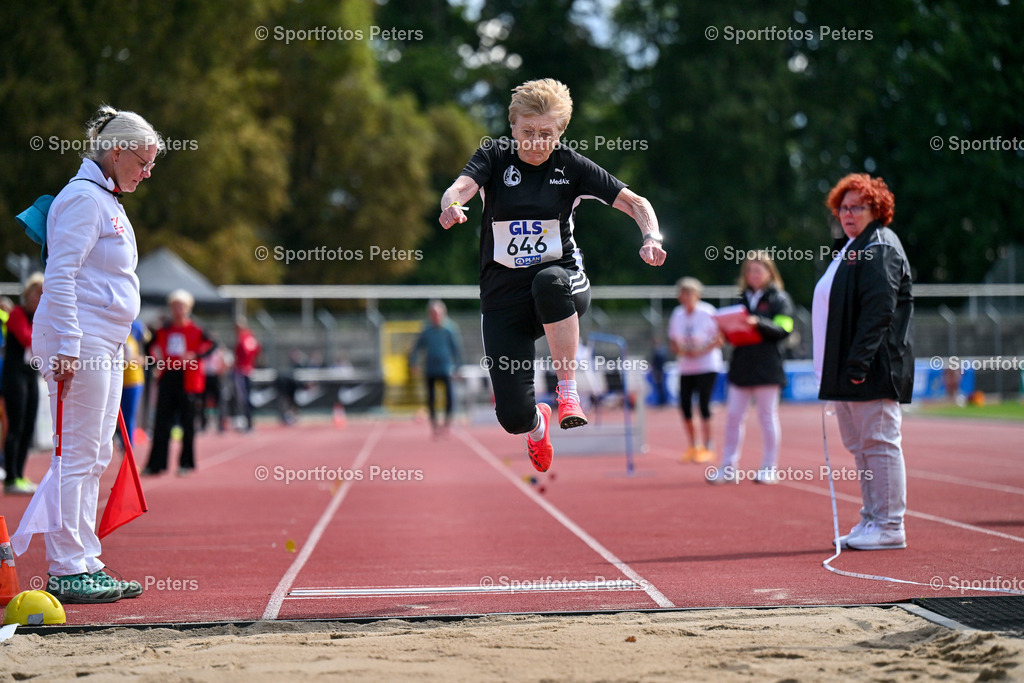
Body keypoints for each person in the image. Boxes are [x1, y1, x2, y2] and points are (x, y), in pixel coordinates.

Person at [439, 78, 666, 472]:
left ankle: (568, 391)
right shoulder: (494, 156)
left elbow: (637, 202)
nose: (536, 142)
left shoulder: (571, 166)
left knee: (549, 280)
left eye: (547, 134)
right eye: (527, 132)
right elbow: (459, 187)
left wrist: (650, 237)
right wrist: (452, 206)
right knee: (512, 417)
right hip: (503, 296)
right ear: (512, 126)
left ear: (561, 132)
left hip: (563, 284)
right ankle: (537, 423)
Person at [30, 105, 162, 603]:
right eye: (143, 162)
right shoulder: (84, 199)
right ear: (116, 151)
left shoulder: (106, 199)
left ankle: (84, 558)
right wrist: (67, 345)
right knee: (76, 454)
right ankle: (67, 567)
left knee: (95, 452)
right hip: (79, 342)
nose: (147, 172)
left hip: (102, 341)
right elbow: (60, 276)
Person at [814, 173, 913, 550]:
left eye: (858, 206)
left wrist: (857, 364)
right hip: (845, 369)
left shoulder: (881, 246)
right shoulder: (850, 247)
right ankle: (872, 518)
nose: (848, 213)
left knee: (880, 443)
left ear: (877, 209)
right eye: (843, 207)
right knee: (861, 447)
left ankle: (890, 525)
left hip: (872, 367)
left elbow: (879, 310)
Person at [707, 252, 794, 485]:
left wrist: (759, 322)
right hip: (742, 365)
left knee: (767, 417)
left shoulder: (780, 299)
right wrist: (724, 333)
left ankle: (769, 468)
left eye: (758, 270)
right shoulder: (740, 299)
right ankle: (728, 467)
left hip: (768, 366)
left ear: (769, 272)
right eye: (749, 270)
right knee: (733, 417)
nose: (753, 275)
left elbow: (784, 329)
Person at [143, 290, 216, 476]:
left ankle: (186, 463)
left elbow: (212, 345)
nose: (178, 310)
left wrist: (196, 355)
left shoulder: (197, 330)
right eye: (175, 306)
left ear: (188, 308)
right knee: (161, 423)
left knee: (188, 423)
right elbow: (149, 346)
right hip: (168, 376)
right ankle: (155, 464)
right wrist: (156, 360)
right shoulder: (163, 329)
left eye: (181, 306)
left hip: (188, 379)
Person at [667, 277, 723, 464]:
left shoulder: (708, 312)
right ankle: (693, 444)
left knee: (704, 405)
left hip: (707, 365)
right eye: (683, 293)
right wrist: (682, 351)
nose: (686, 297)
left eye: (689, 293)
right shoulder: (677, 314)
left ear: (697, 295)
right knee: (684, 405)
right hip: (686, 366)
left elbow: (720, 338)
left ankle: (709, 445)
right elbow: (673, 341)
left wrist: (701, 350)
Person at [3, 274, 44, 494]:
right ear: (27, 294)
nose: (38, 297)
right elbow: (29, 339)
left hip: (31, 375)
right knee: (16, 425)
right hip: (14, 376)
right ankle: (11, 477)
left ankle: (19, 473)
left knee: (29, 425)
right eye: (34, 292)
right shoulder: (17, 314)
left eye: (42, 293)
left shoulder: (40, 317)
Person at [409, 300, 462, 436]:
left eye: (438, 313)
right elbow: (416, 347)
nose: (435, 316)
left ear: (443, 313)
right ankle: (434, 425)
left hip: (446, 369)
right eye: (433, 314)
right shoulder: (426, 330)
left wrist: (458, 367)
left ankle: (447, 423)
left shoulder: (450, 329)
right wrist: (413, 363)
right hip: (430, 369)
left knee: (449, 398)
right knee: (431, 398)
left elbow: (457, 349)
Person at [119, 318, 149, 449]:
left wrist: (146, 358)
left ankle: (128, 451)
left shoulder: (137, 326)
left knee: (128, 416)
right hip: (114, 379)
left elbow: (150, 346)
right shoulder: (108, 326)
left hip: (132, 379)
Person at [233, 316, 261, 432]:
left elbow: (243, 353)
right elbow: (257, 350)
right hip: (249, 370)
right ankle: (248, 422)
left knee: (243, 398)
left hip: (242, 371)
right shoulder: (251, 338)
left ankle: (247, 422)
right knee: (246, 397)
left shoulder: (243, 339)